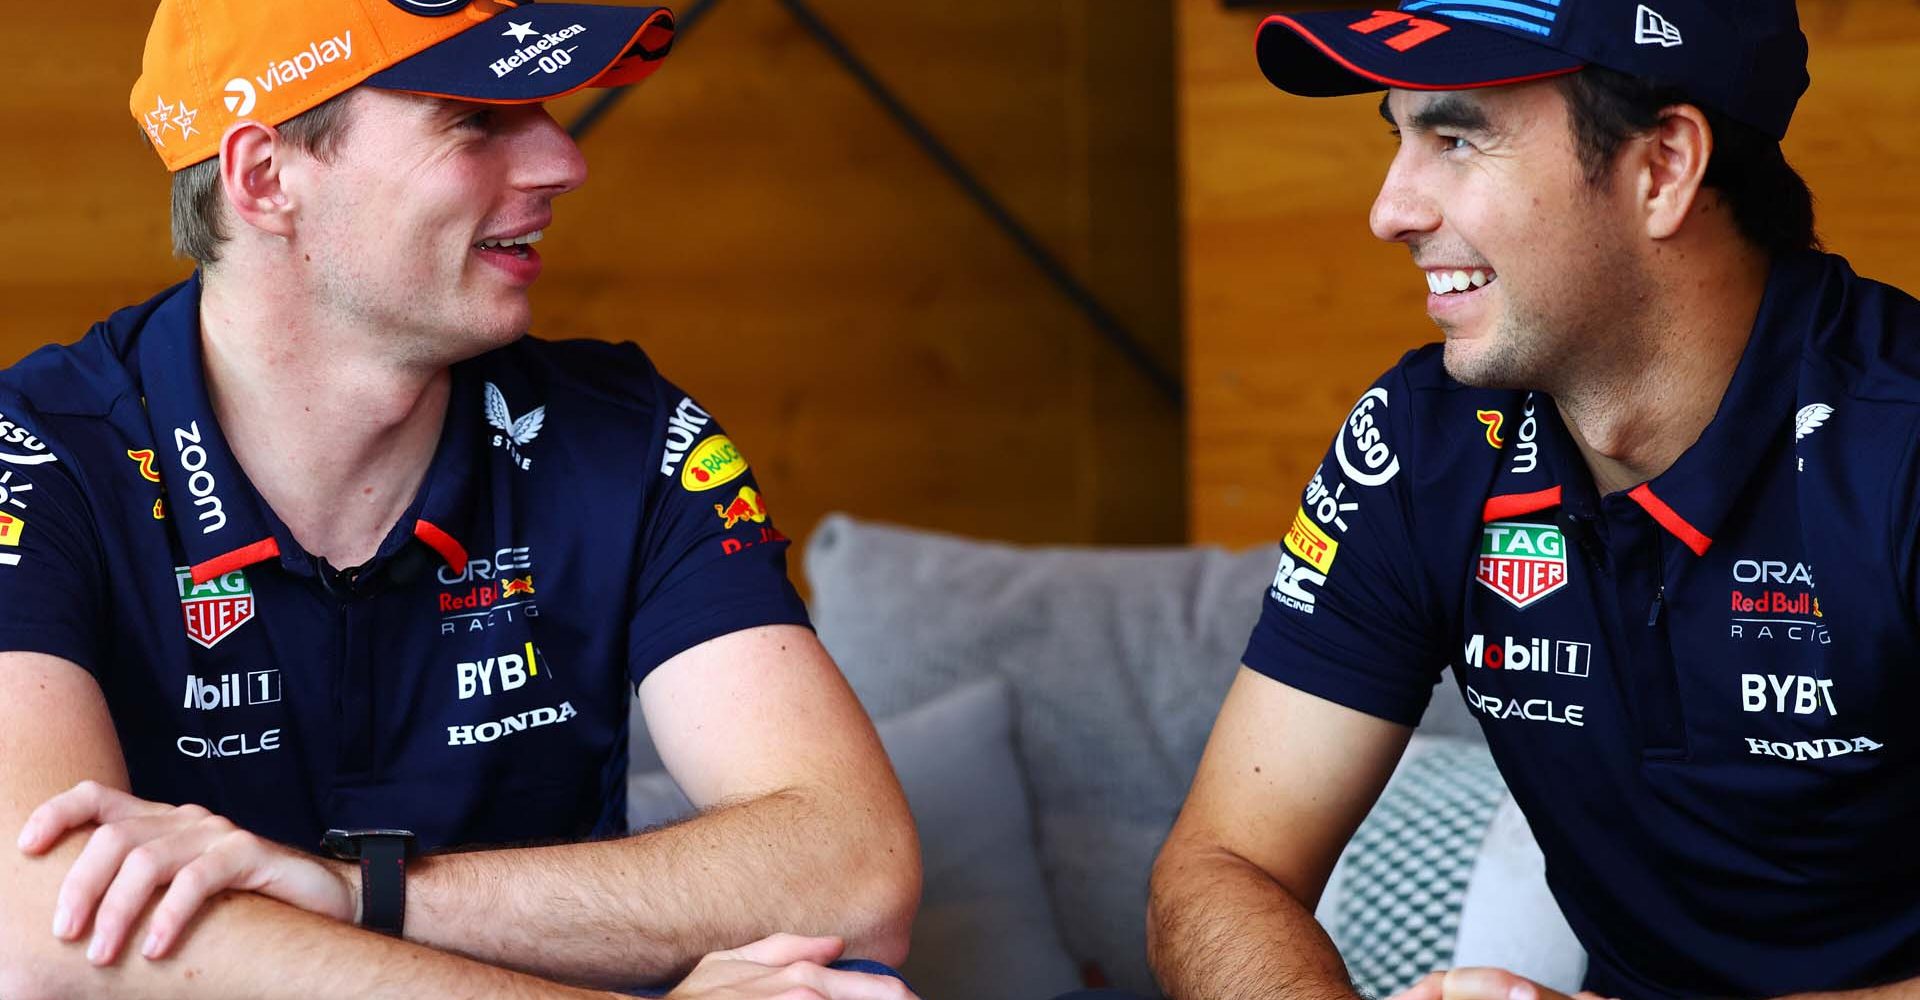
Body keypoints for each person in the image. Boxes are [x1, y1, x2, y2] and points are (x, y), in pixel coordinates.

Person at [0, 1, 921, 997]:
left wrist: (359, 893)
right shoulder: (36, 455)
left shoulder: (631, 435)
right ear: (265, 178)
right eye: (476, 120)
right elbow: (32, 928)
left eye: (541, 108)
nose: (562, 164)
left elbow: (854, 871)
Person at [1147, 1, 1919, 998]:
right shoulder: (1423, 446)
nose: (1392, 211)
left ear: (1662, 169)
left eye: (1458, 138)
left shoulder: (1896, 446)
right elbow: (1220, 866)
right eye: (1398, 136)